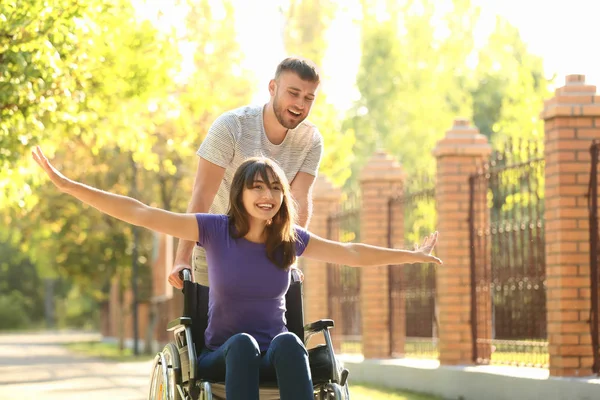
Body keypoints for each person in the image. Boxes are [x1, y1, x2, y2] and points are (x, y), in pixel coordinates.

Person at [32, 147, 442, 400]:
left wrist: (411, 255)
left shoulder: (290, 239)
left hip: (277, 352)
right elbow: (141, 212)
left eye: (275, 189)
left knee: (288, 342)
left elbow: (351, 252)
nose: (267, 197)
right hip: (224, 353)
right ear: (240, 194)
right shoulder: (213, 229)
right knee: (244, 343)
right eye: (257, 188)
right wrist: (69, 186)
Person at [170, 56, 324, 289]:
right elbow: (202, 194)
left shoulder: (310, 140)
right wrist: (182, 259)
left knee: (269, 324)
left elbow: (298, 200)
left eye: (308, 98)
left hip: (269, 251)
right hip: (215, 247)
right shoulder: (232, 126)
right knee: (212, 322)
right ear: (272, 87)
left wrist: (291, 259)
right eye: (293, 93)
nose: (300, 104)